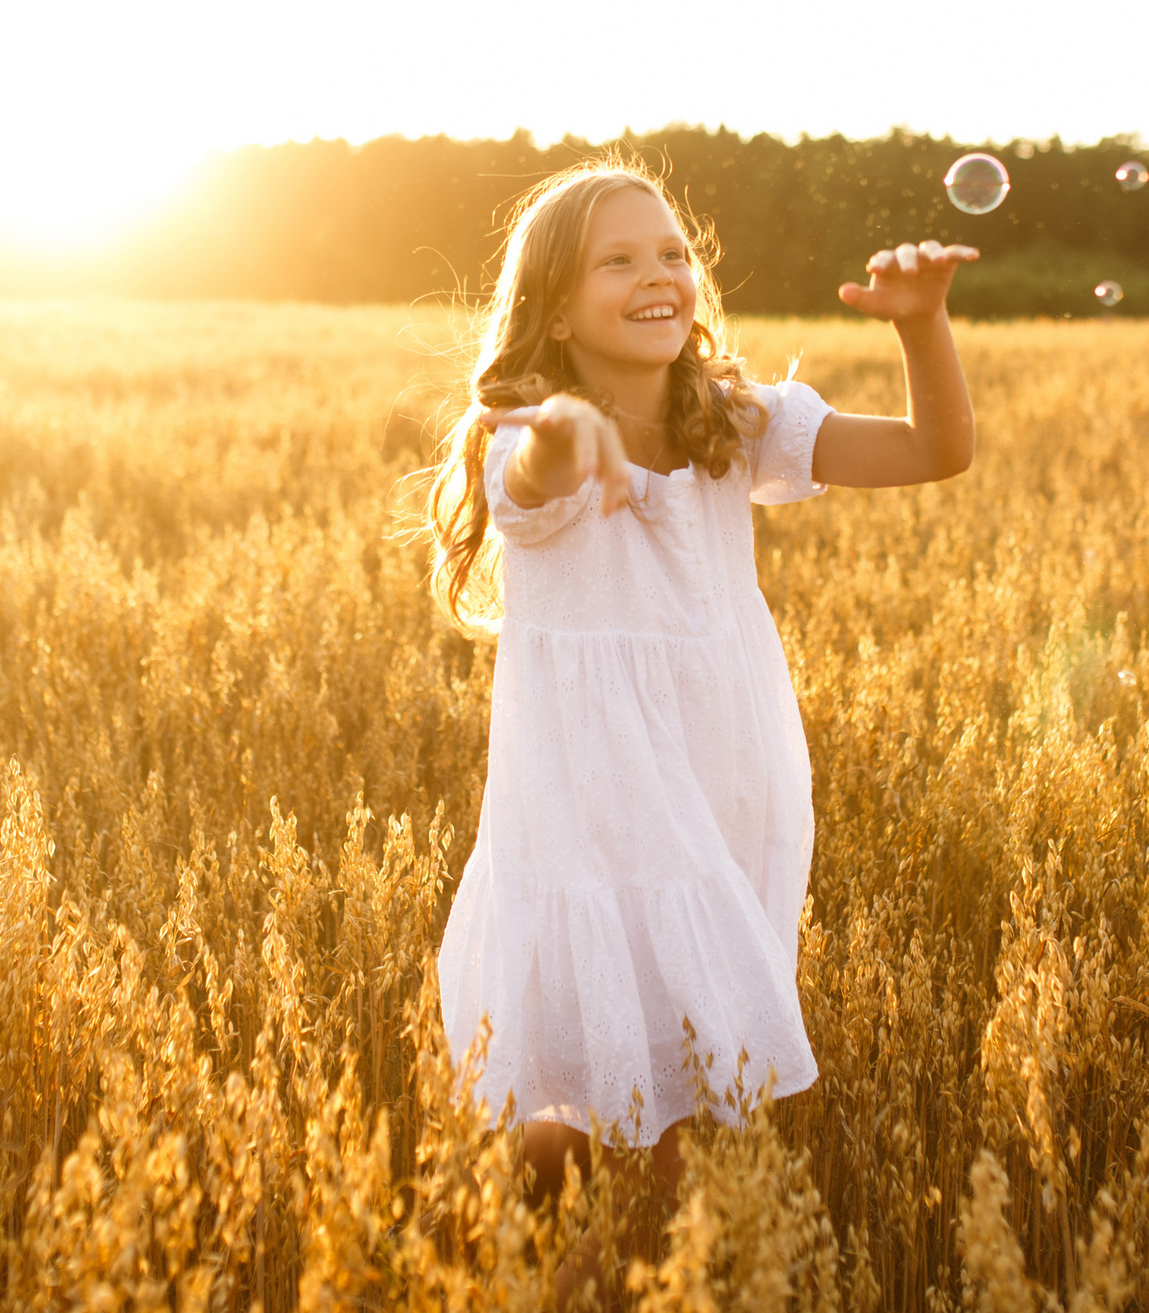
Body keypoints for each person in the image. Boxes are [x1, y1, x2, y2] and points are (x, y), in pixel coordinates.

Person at [419, 154, 977, 1291]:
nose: (659, 273)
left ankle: (494, 1254)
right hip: (594, 816)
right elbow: (539, 464)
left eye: (672, 251)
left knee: (628, 1109)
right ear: (552, 310)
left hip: (725, 791)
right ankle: (505, 1261)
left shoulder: (737, 419)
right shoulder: (528, 446)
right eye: (616, 259)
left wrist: (924, 326)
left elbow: (934, 450)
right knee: (617, 1121)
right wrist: (574, 427)